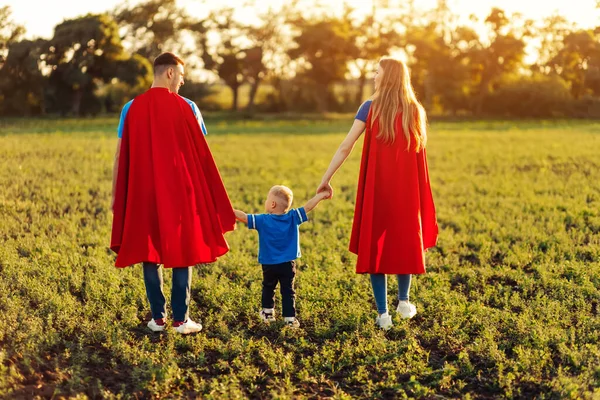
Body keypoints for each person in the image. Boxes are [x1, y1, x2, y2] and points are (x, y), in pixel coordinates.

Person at [110, 52, 236, 334]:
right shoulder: (188, 106)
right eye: (181, 76)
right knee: (184, 249)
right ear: (169, 73)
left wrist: (117, 196)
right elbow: (199, 153)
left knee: (148, 251)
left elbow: (121, 156)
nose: (182, 81)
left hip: (143, 192)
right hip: (181, 191)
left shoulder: (130, 108)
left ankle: (158, 319)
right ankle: (181, 320)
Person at [316, 57, 438, 330]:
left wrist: (326, 178)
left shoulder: (370, 108)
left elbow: (346, 146)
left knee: (376, 246)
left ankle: (383, 315)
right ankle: (404, 302)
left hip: (378, 190)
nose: (373, 75)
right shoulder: (414, 110)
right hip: (407, 193)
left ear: (388, 77)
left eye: (377, 71)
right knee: (405, 240)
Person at [233, 186, 329, 328]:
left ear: (272, 204)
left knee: (268, 287)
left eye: (267, 199)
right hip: (287, 264)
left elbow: (242, 217)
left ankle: (268, 313)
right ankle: (289, 319)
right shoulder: (293, 217)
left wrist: (225, 207)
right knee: (288, 290)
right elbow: (308, 206)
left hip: (269, 264)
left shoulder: (263, 220)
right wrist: (321, 195)